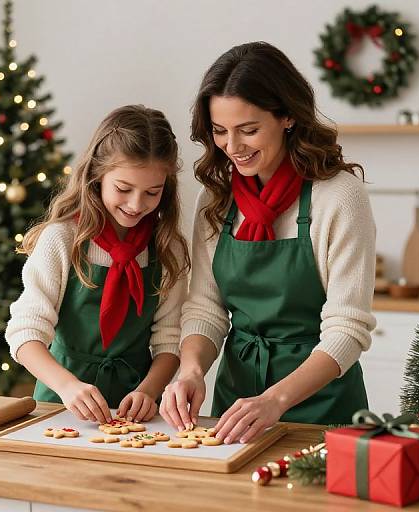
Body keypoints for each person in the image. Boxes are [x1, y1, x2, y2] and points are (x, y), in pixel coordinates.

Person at [160, 42, 376, 443]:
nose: (232, 147)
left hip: (323, 408)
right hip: (235, 409)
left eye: (249, 130)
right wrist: (191, 370)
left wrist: (275, 400)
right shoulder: (217, 198)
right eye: (219, 131)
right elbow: (207, 307)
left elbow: (347, 328)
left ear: (288, 116)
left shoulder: (339, 197)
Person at [6, 105, 190, 424]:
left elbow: (169, 339)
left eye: (152, 192)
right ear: (96, 175)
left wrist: (148, 391)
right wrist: (68, 386)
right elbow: (24, 333)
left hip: (139, 411)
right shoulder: (62, 239)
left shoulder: (166, 248)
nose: (136, 204)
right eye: (123, 188)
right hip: (61, 404)